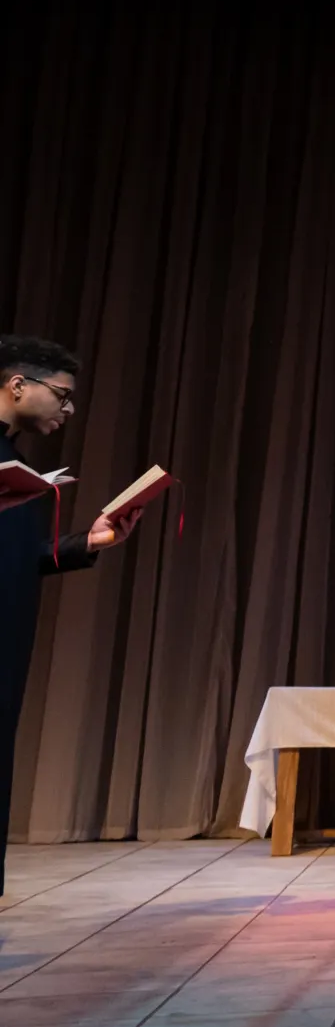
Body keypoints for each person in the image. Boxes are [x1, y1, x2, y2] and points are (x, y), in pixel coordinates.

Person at [0, 336, 145, 896]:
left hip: (10, 644)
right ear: (17, 386)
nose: (69, 408)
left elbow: (23, 559)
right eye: (61, 395)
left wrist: (90, 541)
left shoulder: (18, 470)